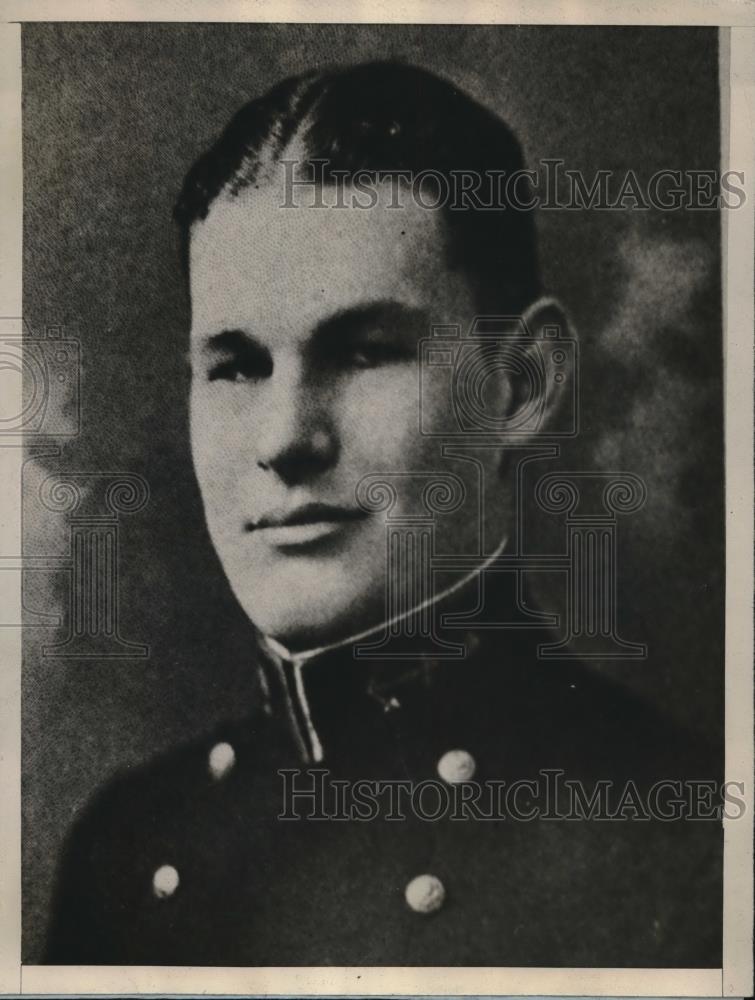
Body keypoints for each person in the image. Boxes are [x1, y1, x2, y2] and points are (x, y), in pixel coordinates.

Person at [44, 61, 721, 967]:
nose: (285, 438)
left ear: (520, 385)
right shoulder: (129, 846)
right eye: (236, 366)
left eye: (365, 352)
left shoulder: (684, 850)